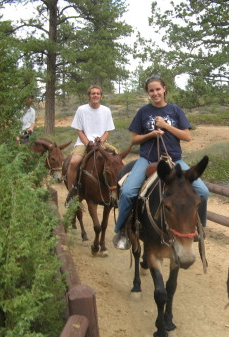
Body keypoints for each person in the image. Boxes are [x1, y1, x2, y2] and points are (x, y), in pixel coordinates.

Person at [112, 75, 209, 250]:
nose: (155, 93)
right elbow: (134, 140)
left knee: (203, 191)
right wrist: (150, 134)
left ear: (165, 89)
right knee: (127, 192)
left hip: (174, 160)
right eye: (151, 90)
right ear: (147, 93)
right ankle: (121, 230)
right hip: (147, 160)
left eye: (158, 89)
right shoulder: (143, 112)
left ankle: (198, 229)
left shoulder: (175, 110)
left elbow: (187, 136)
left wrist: (166, 126)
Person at [65, 85, 115, 206]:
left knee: (117, 160)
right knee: (74, 162)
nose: (95, 95)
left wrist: (101, 141)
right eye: (93, 93)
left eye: (98, 93)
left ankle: (117, 191)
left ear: (101, 96)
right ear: (89, 96)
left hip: (101, 142)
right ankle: (72, 193)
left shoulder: (106, 110)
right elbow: (79, 130)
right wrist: (87, 142)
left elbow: (107, 130)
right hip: (83, 142)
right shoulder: (81, 110)